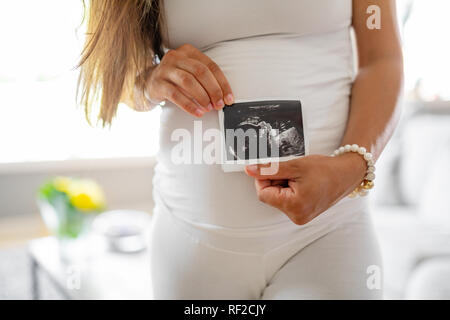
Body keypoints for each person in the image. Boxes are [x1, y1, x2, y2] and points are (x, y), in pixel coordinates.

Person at [77, 0, 403, 299]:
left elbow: (382, 59)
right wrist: (149, 82)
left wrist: (351, 167)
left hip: (328, 230)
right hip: (191, 237)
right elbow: (113, 76)